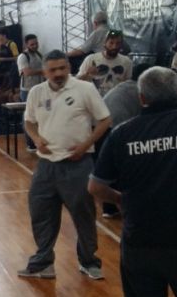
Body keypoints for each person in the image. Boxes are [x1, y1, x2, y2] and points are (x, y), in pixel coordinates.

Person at [87, 66, 177, 297]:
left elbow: (95, 187)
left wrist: (121, 200)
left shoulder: (123, 134)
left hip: (142, 239)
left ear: (141, 98)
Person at [18, 50, 111, 280]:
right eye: (53, 70)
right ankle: (43, 263)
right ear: (45, 72)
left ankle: (89, 261)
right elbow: (29, 122)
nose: (58, 73)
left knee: (84, 215)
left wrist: (86, 144)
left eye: (62, 68)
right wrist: (36, 139)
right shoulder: (36, 92)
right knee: (41, 213)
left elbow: (105, 120)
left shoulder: (85, 89)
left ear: (69, 67)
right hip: (46, 166)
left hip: (78, 164)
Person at [97, 63, 151, 219]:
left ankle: (110, 208)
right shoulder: (140, 91)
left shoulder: (125, 85)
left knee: (109, 170)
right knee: (124, 168)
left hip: (101, 127)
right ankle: (122, 206)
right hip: (114, 128)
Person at [78, 30, 133, 97]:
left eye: (117, 43)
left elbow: (129, 85)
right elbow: (78, 82)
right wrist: (87, 74)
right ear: (105, 43)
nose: (114, 46)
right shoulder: (91, 59)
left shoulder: (127, 62)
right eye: (111, 43)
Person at [18, 34, 45, 151]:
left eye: (36, 43)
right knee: (28, 117)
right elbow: (27, 72)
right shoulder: (23, 57)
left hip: (39, 89)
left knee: (39, 116)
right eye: (32, 44)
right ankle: (30, 143)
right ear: (26, 45)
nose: (35, 46)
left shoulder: (39, 55)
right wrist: (43, 71)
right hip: (27, 90)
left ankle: (38, 140)